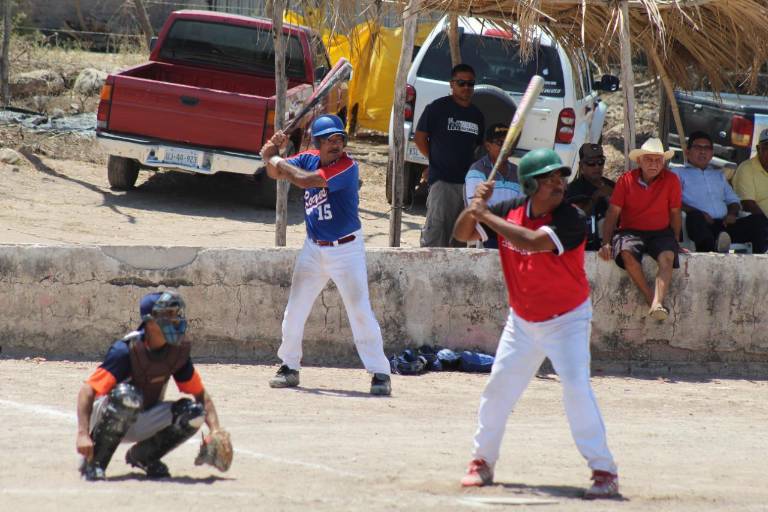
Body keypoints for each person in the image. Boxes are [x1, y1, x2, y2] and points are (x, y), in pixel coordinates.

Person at [453, 148, 619, 499]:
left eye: (560, 177)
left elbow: (529, 240)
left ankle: (603, 470)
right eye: (549, 179)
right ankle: (481, 461)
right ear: (529, 185)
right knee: (498, 389)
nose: (559, 184)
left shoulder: (570, 217)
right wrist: (473, 207)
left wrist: (487, 215)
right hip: (523, 321)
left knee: (576, 389)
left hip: (568, 320)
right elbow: (461, 232)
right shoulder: (507, 211)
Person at [260, 114, 392, 396]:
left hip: (347, 250)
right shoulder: (307, 157)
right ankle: (289, 366)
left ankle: (380, 372)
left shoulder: (347, 167)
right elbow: (275, 173)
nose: (335, 144)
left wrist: (275, 159)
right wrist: (271, 153)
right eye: (329, 140)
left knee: (359, 310)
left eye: (339, 139)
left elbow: (306, 182)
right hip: (313, 247)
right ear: (316, 143)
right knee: (295, 308)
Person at [76, 290, 224, 480]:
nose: (176, 320)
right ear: (150, 320)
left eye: (176, 314)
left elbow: (201, 396)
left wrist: (216, 431)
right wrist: (82, 434)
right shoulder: (126, 350)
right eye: (168, 315)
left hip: (144, 414)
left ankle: (144, 456)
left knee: (194, 412)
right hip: (108, 416)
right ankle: (94, 461)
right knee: (128, 396)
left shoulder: (176, 352)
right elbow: (87, 390)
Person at [599, 138, 683, 321]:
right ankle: (650, 297)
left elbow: (675, 213)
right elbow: (612, 213)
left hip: (661, 232)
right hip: (630, 231)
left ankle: (657, 303)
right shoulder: (625, 180)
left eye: (658, 160)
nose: (654, 164)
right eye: (649, 159)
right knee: (626, 254)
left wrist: (676, 240)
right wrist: (605, 243)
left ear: (663, 162)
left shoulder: (672, 180)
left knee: (668, 256)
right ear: (639, 161)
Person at [415, 63, 485, 247]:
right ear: (451, 84)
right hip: (442, 181)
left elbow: (477, 148)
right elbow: (420, 137)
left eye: (470, 84)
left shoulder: (477, 115)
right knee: (436, 231)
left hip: (466, 184)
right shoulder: (437, 108)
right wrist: (434, 159)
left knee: (460, 236)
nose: (466, 88)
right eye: (461, 83)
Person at [673, 131, 768, 253]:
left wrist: (732, 213)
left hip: (724, 225)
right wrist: (698, 212)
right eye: (698, 147)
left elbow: (734, 201)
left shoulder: (718, 175)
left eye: (707, 148)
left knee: (759, 220)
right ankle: (711, 252)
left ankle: (759, 264)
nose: (703, 151)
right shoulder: (678, 173)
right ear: (687, 152)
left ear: (712, 153)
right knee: (695, 218)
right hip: (699, 224)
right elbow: (674, 201)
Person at [464, 123, 523, 248]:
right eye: (501, 143)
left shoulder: (518, 173)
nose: (506, 147)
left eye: (510, 143)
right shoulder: (477, 170)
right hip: (487, 232)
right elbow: (475, 209)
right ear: (488, 146)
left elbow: (522, 208)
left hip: (511, 230)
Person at [566, 143, 615, 250]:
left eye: (600, 162)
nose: (597, 167)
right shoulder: (573, 189)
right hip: (586, 244)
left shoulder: (612, 186)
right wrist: (595, 197)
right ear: (581, 165)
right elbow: (573, 220)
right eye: (591, 163)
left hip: (611, 243)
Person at [733, 128, 768, 217]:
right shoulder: (746, 168)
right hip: (759, 223)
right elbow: (748, 205)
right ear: (758, 149)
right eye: (766, 148)